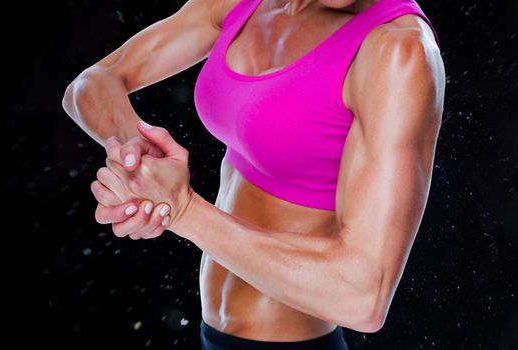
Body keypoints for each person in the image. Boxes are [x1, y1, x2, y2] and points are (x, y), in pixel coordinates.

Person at [62, 0, 445, 349]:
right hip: (212, 335)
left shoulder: (398, 49)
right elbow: (92, 83)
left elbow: (362, 297)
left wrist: (182, 210)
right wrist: (137, 164)